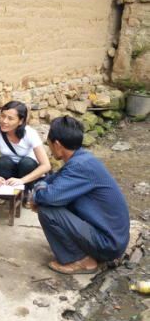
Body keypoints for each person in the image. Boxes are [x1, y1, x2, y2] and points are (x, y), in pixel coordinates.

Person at [31, 116, 130, 275]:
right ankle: (82, 254)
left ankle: (81, 260)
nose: (49, 148)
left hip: (107, 244)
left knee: (47, 210)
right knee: (51, 198)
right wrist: (38, 189)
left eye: (49, 144)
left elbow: (49, 197)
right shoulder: (82, 159)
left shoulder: (80, 166)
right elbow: (50, 180)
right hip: (112, 238)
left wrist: (37, 195)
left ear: (57, 144)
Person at [0, 100, 51, 204]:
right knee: (3, 161)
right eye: (3, 116)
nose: (4, 121)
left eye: (10, 118)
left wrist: (22, 180)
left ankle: (28, 190)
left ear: (20, 121)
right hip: (8, 171)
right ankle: (2, 192)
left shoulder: (30, 134)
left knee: (27, 162)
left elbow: (46, 165)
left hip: (26, 172)